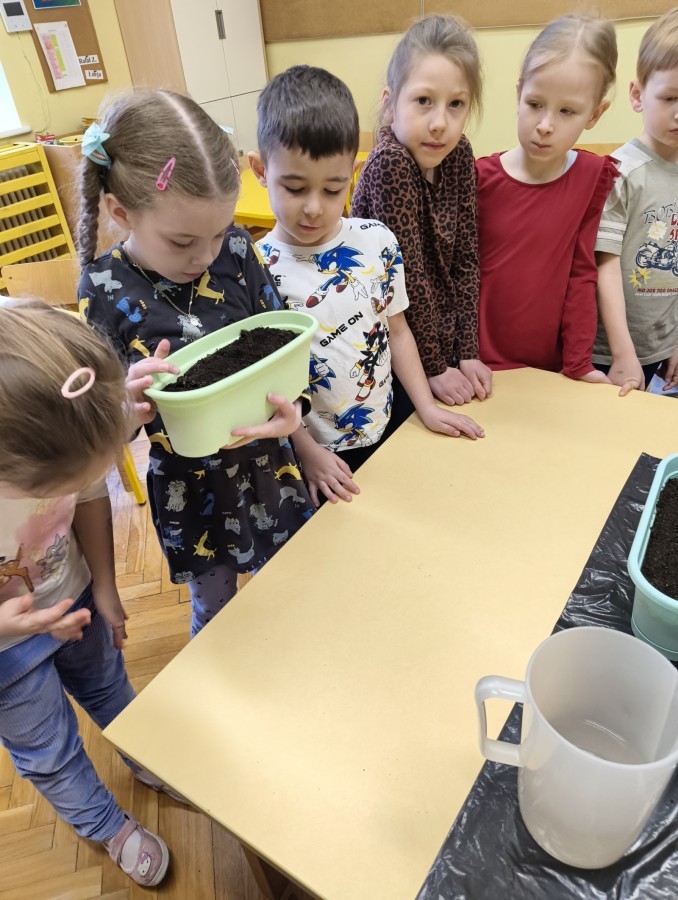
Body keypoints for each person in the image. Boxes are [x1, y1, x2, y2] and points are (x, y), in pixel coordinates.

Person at [77, 90, 314, 637]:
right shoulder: (103, 287)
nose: (205, 255)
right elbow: (102, 428)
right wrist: (126, 404)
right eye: (182, 240)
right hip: (193, 492)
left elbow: (282, 347)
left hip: (270, 468)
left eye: (218, 233)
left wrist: (297, 417)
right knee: (216, 618)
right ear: (120, 212)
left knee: (294, 593)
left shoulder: (236, 251)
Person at [249, 66, 485, 507]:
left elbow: (398, 331)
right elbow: (265, 384)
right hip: (314, 455)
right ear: (261, 170)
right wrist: (308, 453)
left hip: (390, 422)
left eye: (332, 189)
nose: (314, 208)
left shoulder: (376, 240)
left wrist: (427, 407)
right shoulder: (254, 269)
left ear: (353, 174)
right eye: (295, 188)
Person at [0, 301, 170, 887]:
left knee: (107, 685)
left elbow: (92, 492)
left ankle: (146, 752)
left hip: (70, 594)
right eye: (53, 488)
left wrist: (103, 583)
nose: (70, 494)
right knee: (47, 747)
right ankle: (105, 825)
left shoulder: (56, 389)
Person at [351, 14, 493, 427]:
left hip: (440, 343)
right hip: (393, 348)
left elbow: (466, 258)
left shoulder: (459, 154)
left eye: (456, 105)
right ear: (390, 102)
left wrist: (467, 352)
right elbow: (407, 278)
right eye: (423, 101)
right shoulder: (391, 164)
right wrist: (434, 367)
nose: (439, 123)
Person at [475, 15, 619, 383]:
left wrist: (579, 364)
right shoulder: (477, 177)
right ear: (518, 94)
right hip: (477, 369)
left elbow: (582, 274)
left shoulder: (591, 177)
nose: (545, 125)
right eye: (535, 103)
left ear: (595, 114)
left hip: (549, 373)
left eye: (566, 111)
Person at [593, 8, 678, 396]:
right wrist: (623, 352)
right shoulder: (621, 172)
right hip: (610, 352)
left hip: (659, 346)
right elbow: (605, 264)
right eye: (669, 97)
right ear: (637, 95)